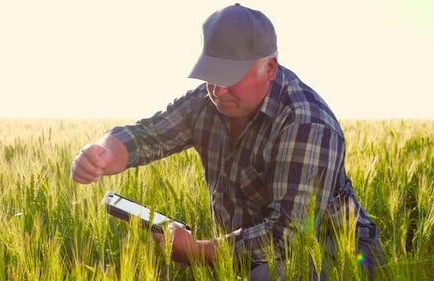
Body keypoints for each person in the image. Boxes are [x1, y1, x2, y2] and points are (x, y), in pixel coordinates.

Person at [70, 3, 383, 280]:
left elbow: (287, 235)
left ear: (270, 67)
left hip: (337, 254)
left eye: (230, 75)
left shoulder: (307, 122)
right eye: (211, 74)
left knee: (266, 275)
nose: (218, 90)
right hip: (251, 250)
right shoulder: (207, 102)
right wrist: (102, 152)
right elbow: (147, 134)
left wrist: (197, 252)